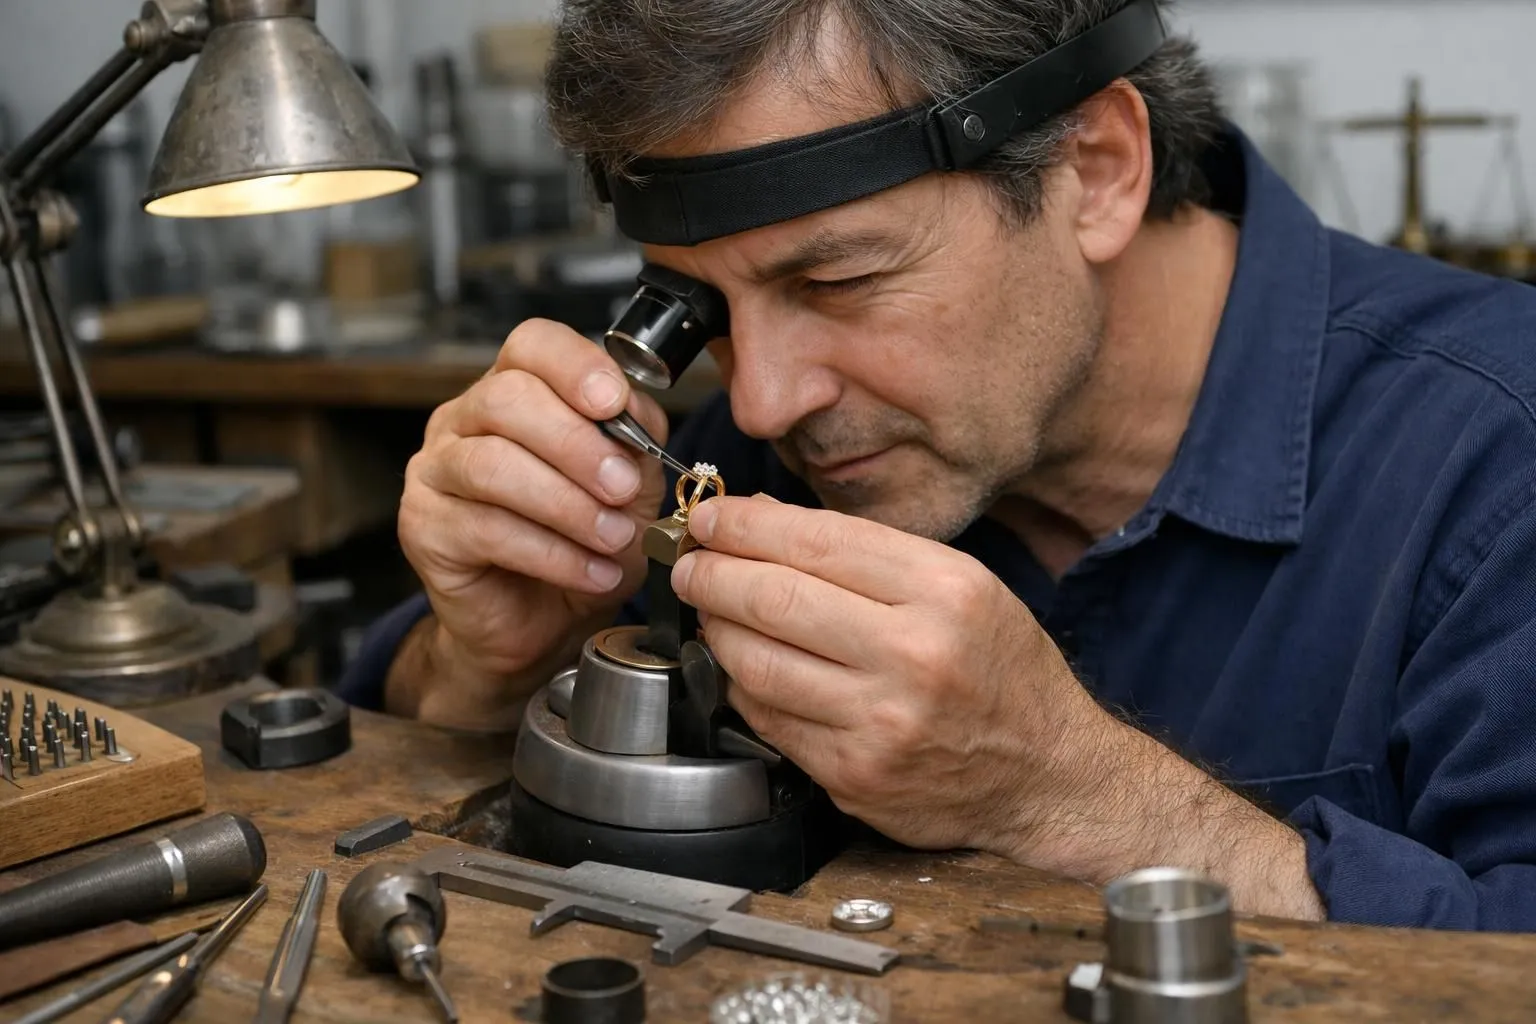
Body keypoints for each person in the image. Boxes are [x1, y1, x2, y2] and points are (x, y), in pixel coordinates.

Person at [339, 0, 1536, 931]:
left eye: (839, 280)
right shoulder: (735, 456)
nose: (760, 398)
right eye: (704, 305)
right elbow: (401, 753)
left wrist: (1071, 794)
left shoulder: (1496, 458)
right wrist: (488, 662)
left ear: (1098, 170)